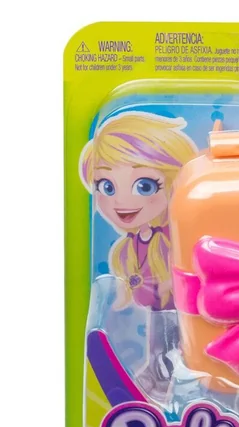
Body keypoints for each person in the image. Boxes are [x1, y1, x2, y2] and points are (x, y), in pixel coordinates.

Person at [79, 112, 198, 400]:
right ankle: (159, 372)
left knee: (174, 341)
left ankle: (170, 375)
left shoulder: (172, 237)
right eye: (106, 187)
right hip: (157, 310)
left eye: (145, 185)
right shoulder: (135, 242)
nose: (121, 201)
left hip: (179, 312)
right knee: (159, 340)